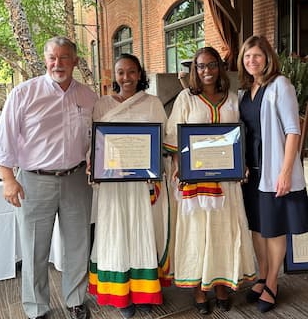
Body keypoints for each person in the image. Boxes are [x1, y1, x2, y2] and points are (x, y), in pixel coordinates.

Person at [0, 36, 98, 319]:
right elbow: (5, 138)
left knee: (78, 245)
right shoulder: (24, 93)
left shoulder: (88, 97)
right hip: (34, 180)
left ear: (76, 61)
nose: (58, 64)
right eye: (53, 58)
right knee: (33, 248)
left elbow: (97, 138)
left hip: (77, 179)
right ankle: (36, 307)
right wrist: (8, 179)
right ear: (45, 60)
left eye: (65, 57)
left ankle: (76, 299)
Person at [164, 47, 256, 315]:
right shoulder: (185, 99)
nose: (207, 71)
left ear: (220, 67)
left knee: (223, 231)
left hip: (227, 180)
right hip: (195, 181)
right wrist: (182, 167)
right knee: (197, 233)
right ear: (194, 69)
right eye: (201, 66)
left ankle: (221, 286)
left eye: (212, 65)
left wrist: (242, 163)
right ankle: (198, 289)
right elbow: (173, 135)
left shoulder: (232, 98)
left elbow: (240, 135)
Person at [88, 53, 171, 318]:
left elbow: (163, 139)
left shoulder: (152, 103)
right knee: (115, 231)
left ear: (140, 74)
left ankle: (143, 291)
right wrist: (95, 165)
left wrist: (155, 166)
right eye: (121, 72)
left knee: (140, 230)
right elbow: (95, 143)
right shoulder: (101, 105)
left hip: (140, 183)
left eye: (132, 72)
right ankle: (121, 295)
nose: (126, 78)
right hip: (112, 183)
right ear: (115, 76)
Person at [238, 35, 308, 313]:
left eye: (256, 55)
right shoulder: (245, 91)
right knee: (257, 227)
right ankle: (262, 275)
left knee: (274, 228)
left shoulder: (281, 86)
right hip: (250, 171)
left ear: (267, 58)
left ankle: (273, 283)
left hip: (273, 170)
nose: (251, 61)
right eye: (247, 56)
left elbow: (293, 130)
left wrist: (285, 172)